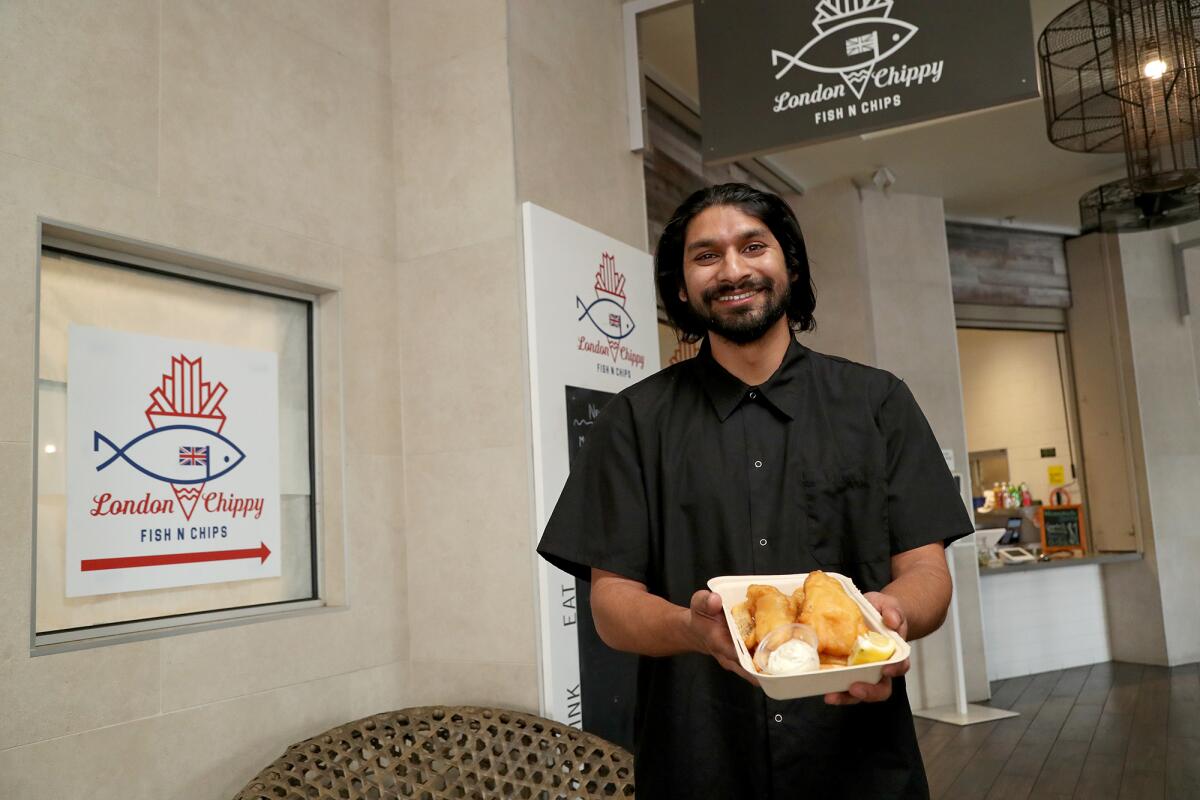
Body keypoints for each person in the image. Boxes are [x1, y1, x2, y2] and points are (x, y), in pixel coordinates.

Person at [537, 183, 973, 798]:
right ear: (683, 287)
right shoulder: (634, 421)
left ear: (789, 266)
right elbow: (612, 607)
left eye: (753, 246)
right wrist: (696, 630)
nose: (733, 269)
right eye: (706, 255)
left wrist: (888, 618)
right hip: (698, 760)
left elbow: (928, 572)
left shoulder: (879, 403)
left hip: (858, 762)